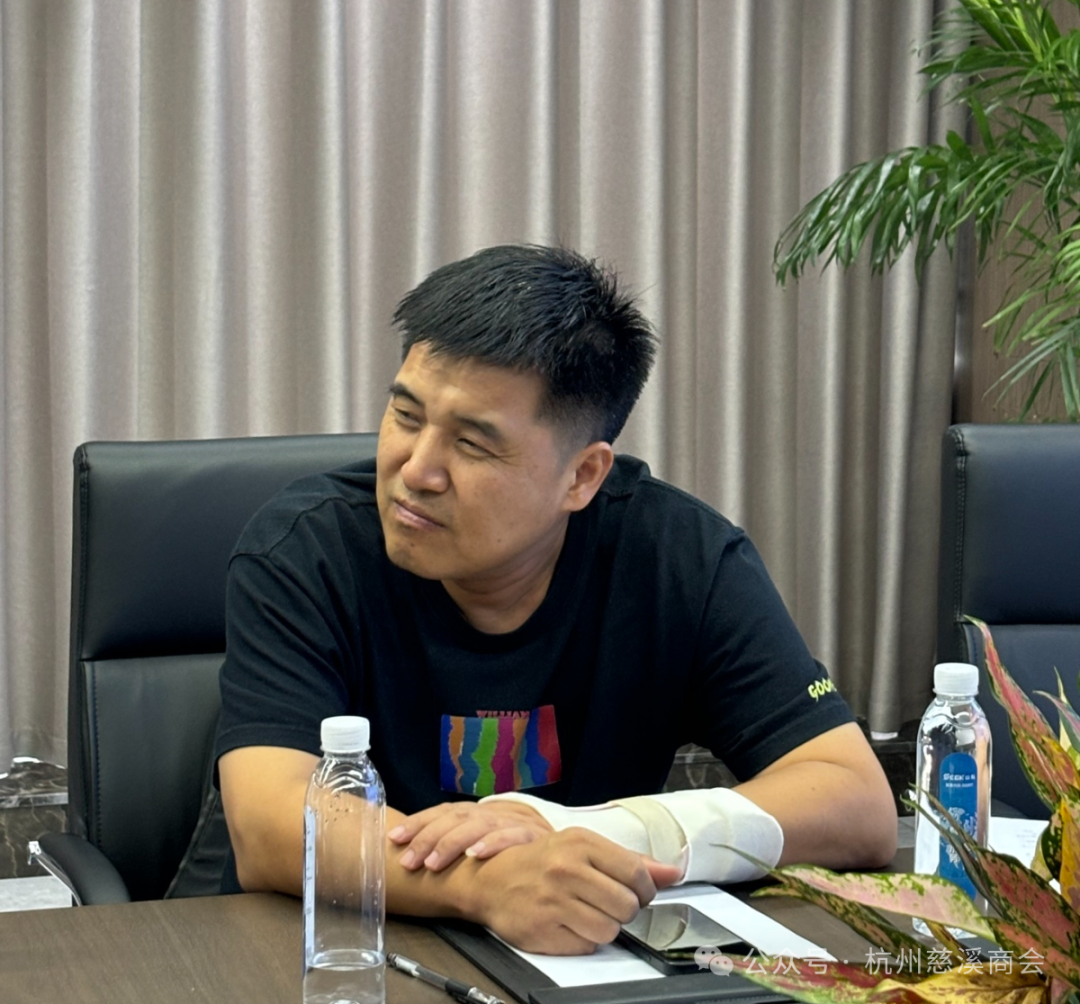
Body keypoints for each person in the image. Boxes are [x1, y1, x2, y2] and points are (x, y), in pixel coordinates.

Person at [215, 244, 896, 956]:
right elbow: (268, 822)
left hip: (575, 950)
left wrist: (586, 833)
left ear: (582, 477)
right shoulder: (305, 549)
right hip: (324, 953)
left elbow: (855, 801)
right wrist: (485, 881)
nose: (415, 471)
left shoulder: (680, 558)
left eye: (473, 444)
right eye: (407, 416)